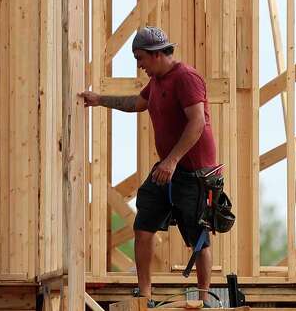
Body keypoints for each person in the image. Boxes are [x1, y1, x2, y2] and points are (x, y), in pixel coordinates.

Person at [78, 26, 218, 308]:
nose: (139, 64)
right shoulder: (156, 81)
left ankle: (204, 299)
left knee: (197, 237)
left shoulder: (186, 78)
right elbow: (136, 104)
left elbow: (197, 123)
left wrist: (172, 159)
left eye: (140, 58)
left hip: (194, 173)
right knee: (144, 226)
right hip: (167, 169)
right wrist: (99, 100)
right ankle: (145, 295)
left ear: (156, 55)